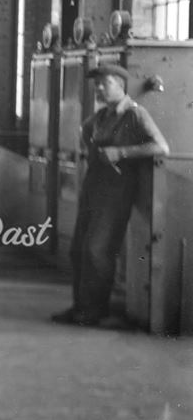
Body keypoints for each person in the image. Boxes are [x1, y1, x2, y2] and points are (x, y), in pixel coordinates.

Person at [52, 64, 170, 327]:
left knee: (98, 250)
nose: (99, 89)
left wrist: (122, 152)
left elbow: (161, 146)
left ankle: (94, 311)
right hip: (93, 184)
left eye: (104, 84)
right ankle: (80, 307)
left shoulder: (136, 114)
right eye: (97, 85)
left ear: (120, 84)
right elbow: (84, 130)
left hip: (117, 190)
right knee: (79, 250)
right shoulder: (102, 115)